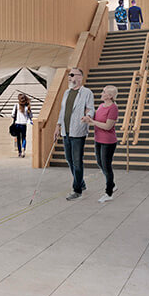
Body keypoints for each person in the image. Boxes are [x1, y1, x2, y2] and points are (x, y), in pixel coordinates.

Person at [56, 67, 94, 200]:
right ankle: (81, 183)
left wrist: (88, 116)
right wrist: (58, 126)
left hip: (78, 131)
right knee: (69, 159)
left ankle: (77, 190)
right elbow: (62, 111)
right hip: (66, 131)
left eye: (72, 75)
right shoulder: (66, 92)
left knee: (77, 161)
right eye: (69, 75)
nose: (69, 77)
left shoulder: (87, 92)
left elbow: (90, 108)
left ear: (79, 77)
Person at [84, 85, 119, 203]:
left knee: (107, 166)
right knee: (100, 163)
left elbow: (108, 126)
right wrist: (88, 119)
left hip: (108, 142)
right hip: (98, 139)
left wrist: (92, 122)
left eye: (104, 92)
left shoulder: (113, 108)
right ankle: (112, 184)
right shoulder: (100, 106)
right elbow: (95, 120)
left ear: (110, 96)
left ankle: (109, 193)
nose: (101, 93)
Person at [11, 94, 33, 158]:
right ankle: (23, 148)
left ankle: (19, 152)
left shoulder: (16, 106)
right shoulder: (27, 107)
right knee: (24, 137)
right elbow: (31, 116)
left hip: (17, 124)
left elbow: (12, 115)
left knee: (18, 138)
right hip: (24, 124)